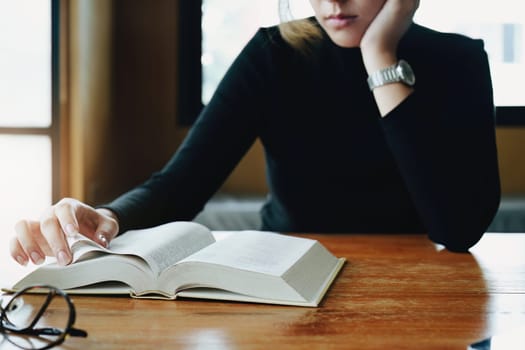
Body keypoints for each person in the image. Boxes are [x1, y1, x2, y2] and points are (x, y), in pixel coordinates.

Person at [10, 0, 500, 267]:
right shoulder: (275, 55)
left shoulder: (459, 61)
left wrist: (380, 56)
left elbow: (457, 229)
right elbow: (180, 186)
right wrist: (105, 216)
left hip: (415, 293)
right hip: (285, 288)